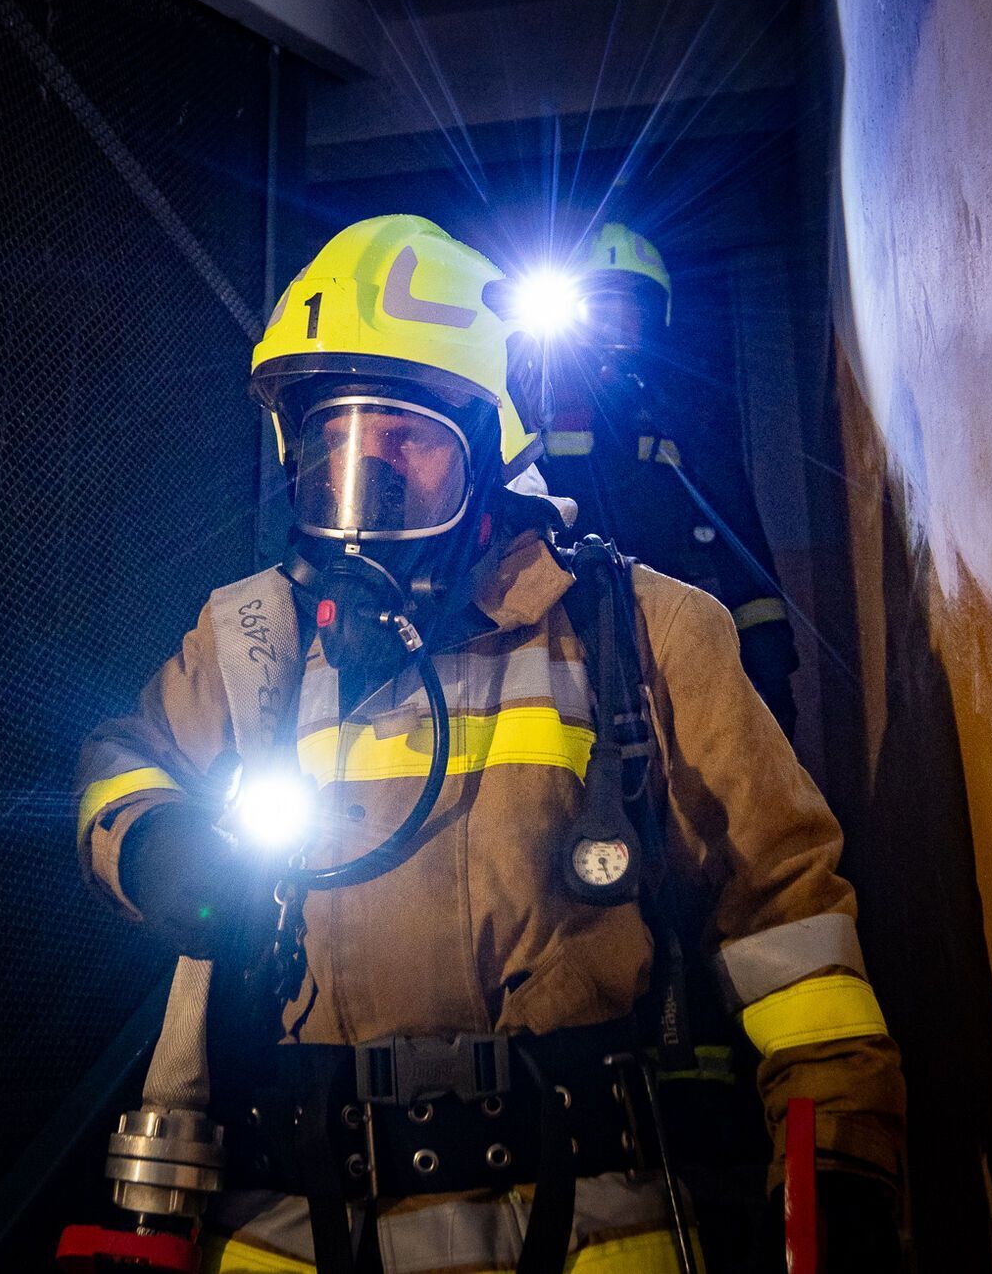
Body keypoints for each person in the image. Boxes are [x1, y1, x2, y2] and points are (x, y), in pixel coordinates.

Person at [74, 215, 903, 1272]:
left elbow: (787, 919)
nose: (359, 475)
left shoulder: (642, 628)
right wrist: (157, 847)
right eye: (332, 439)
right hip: (298, 1224)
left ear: (489, 443)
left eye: (402, 437)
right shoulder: (252, 633)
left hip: (592, 1224)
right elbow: (120, 755)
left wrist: (840, 1164)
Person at [528, 222, 802, 735]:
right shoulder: (538, 410)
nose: (612, 317)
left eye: (627, 303)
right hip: (571, 646)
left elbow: (739, 535)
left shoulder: (686, 415)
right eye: (598, 301)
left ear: (653, 316)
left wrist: (770, 670)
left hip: (680, 644)